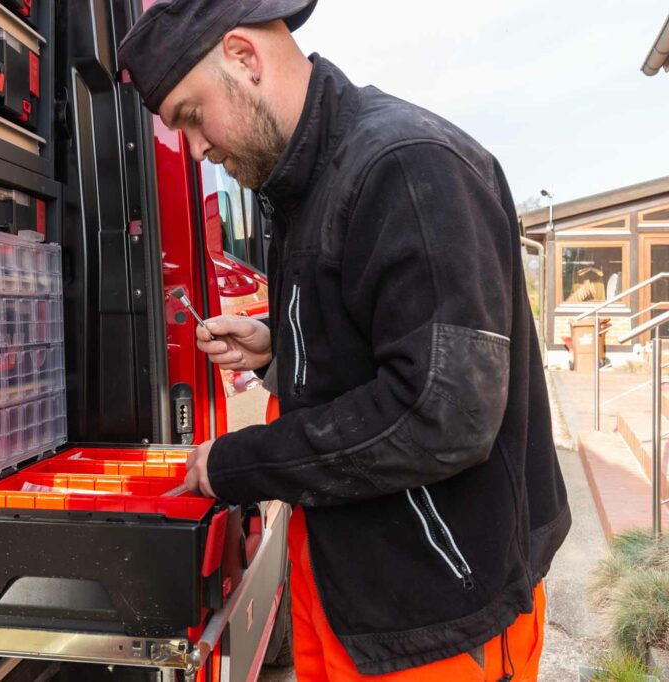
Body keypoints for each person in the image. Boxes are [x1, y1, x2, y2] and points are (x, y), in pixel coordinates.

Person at [118, 1, 571, 680]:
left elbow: (441, 413)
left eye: (189, 116)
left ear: (243, 58)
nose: (195, 148)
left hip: (438, 616)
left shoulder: (409, 167)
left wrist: (236, 464)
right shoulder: (307, 183)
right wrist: (276, 347)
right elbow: (381, 331)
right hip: (348, 593)